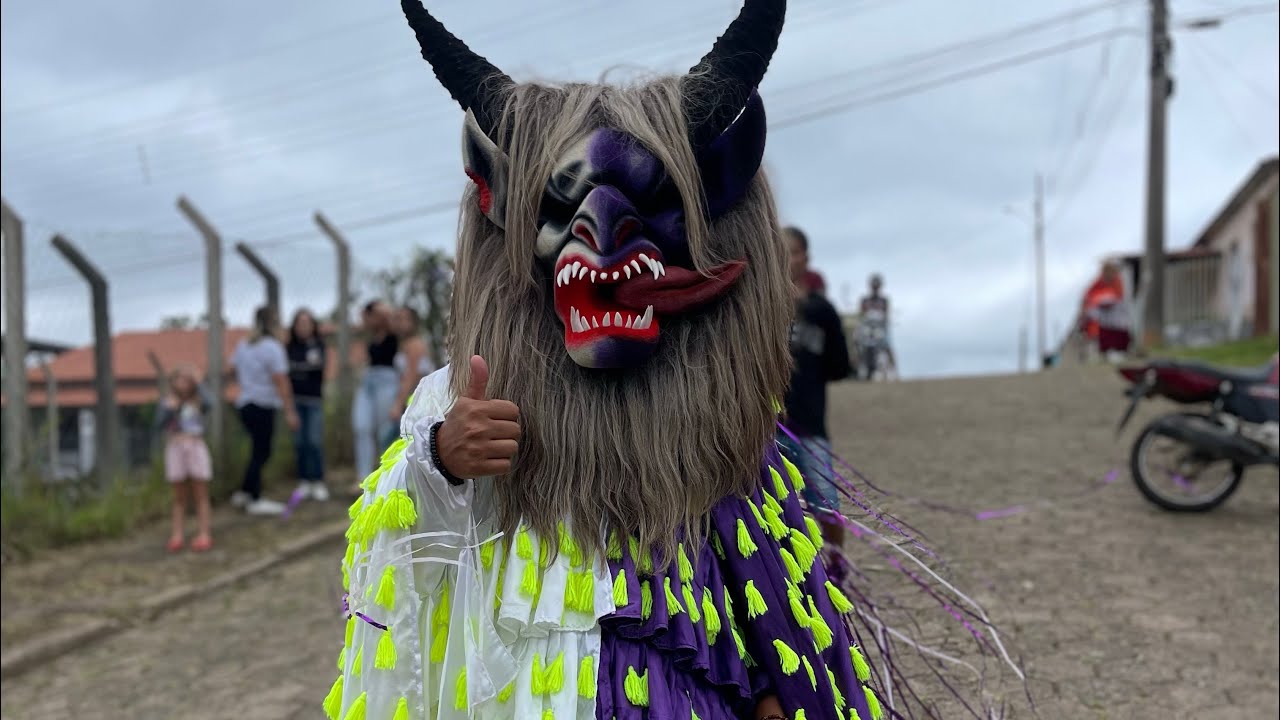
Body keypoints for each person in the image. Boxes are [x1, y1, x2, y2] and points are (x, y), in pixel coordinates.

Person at [327, 3, 1014, 718]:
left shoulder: (720, 430)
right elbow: (395, 562)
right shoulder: (462, 398)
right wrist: (441, 460)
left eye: (647, 198)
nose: (596, 237)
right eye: (563, 207)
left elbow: (774, 587)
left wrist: (782, 689)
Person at [778, 226, 852, 548]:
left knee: (826, 506)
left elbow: (839, 367)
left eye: (793, 251)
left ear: (805, 257)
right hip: (766, 431)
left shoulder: (823, 312)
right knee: (775, 513)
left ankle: (837, 566)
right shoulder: (762, 310)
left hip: (810, 427)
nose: (787, 259)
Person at [230, 305, 299, 515]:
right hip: (263, 404)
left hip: (245, 403)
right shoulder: (272, 348)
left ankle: (245, 491)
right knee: (262, 451)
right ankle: (254, 497)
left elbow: (233, 368)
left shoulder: (244, 345)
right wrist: (290, 411)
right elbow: (281, 381)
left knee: (257, 450)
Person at [157, 364, 214, 553]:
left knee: (200, 492)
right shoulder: (167, 402)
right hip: (176, 447)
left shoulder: (198, 401)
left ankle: (204, 533)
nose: (183, 383)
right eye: (179, 379)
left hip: (195, 445)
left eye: (187, 379)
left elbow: (211, 403)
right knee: (179, 496)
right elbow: (159, 424)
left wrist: (200, 382)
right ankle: (177, 534)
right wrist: (169, 409)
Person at [352, 300, 399, 480]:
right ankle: (363, 477)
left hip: (387, 382)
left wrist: (382, 309)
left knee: (385, 431)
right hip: (367, 381)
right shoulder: (367, 335)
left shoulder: (395, 334)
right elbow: (361, 320)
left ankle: (386, 477)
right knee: (361, 426)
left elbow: (391, 318)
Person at [287, 308, 330, 501]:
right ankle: (304, 479)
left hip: (314, 401)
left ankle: (318, 480)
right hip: (295, 400)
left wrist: (299, 367)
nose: (303, 327)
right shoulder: (289, 347)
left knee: (314, 441)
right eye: (300, 323)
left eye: (307, 323)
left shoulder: (318, 346)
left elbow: (316, 367)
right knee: (300, 442)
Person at [388, 305, 436, 441]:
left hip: (418, 401)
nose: (400, 323)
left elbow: (411, 375)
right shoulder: (404, 344)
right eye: (398, 319)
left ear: (413, 322)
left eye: (404, 319)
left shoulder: (415, 344)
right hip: (410, 400)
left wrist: (398, 404)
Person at [858, 272, 897, 378]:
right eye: (873, 286)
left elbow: (886, 316)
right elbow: (861, 315)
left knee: (888, 346)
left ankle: (894, 369)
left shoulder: (884, 300)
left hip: (881, 329)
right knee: (860, 348)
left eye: (877, 286)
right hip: (868, 329)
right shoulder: (864, 300)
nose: (875, 288)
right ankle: (858, 369)